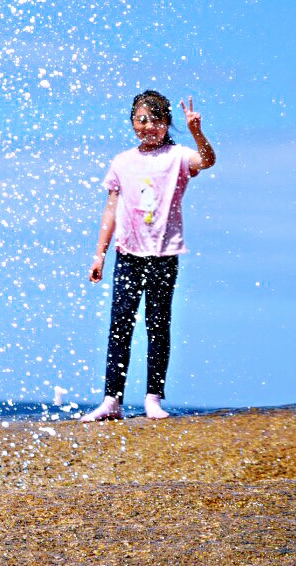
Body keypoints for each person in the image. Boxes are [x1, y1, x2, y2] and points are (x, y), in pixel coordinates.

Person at [80, 91, 215, 421]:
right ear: (132, 123)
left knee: (158, 325)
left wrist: (196, 131)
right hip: (128, 253)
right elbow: (110, 210)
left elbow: (208, 160)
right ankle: (112, 400)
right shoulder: (122, 162)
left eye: (156, 120)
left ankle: (153, 398)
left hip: (164, 253)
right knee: (120, 326)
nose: (148, 126)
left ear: (167, 123)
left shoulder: (178, 156)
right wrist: (99, 255)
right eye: (141, 120)